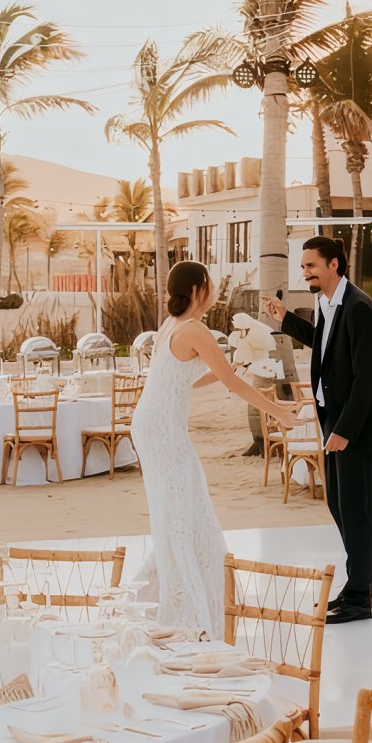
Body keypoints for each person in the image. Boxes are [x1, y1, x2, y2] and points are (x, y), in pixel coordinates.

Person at [133, 261, 299, 638]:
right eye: (208, 284)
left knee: (180, 508)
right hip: (162, 431)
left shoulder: (171, 327)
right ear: (196, 291)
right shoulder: (194, 329)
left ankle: (175, 592)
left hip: (152, 425)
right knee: (182, 508)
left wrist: (236, 363)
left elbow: (192, 380)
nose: (212, 290)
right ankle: (184, 607)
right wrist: (277, 412)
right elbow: (229, 384)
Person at [263, 236, 372, 624]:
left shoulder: (359, 308)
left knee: (356, 511)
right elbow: (322, 344)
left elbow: (367, 376)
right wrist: (285, 318)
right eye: (303, 267)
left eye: (311, 266)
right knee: (339, 505)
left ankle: (358, 598)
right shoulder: (327, 302)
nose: (306, 273)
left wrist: (345, 430)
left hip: (353, 426)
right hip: (332, 420)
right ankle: (360, 586)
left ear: (334, 264)